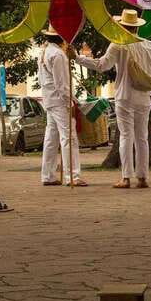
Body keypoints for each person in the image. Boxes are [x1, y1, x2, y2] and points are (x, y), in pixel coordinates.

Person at [73, 10, 151, 189]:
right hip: (144, 97)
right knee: (142, 137)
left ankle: (126, 177)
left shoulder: (117, 45)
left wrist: (78, 59)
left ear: (122, 26)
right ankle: (142, 178)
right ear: (136, 27)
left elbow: (101, 65)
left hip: (125, 97)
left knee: (126, 136)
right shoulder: (148, 45)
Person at [39, 24, 87, 187]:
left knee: (51, 138)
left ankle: (48, 175)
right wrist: (72, 101)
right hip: (59, 101)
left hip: (50, 100)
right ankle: (72, 176)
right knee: (69, 138)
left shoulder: (45, 51)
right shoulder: (58, 55)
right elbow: (62, 85)